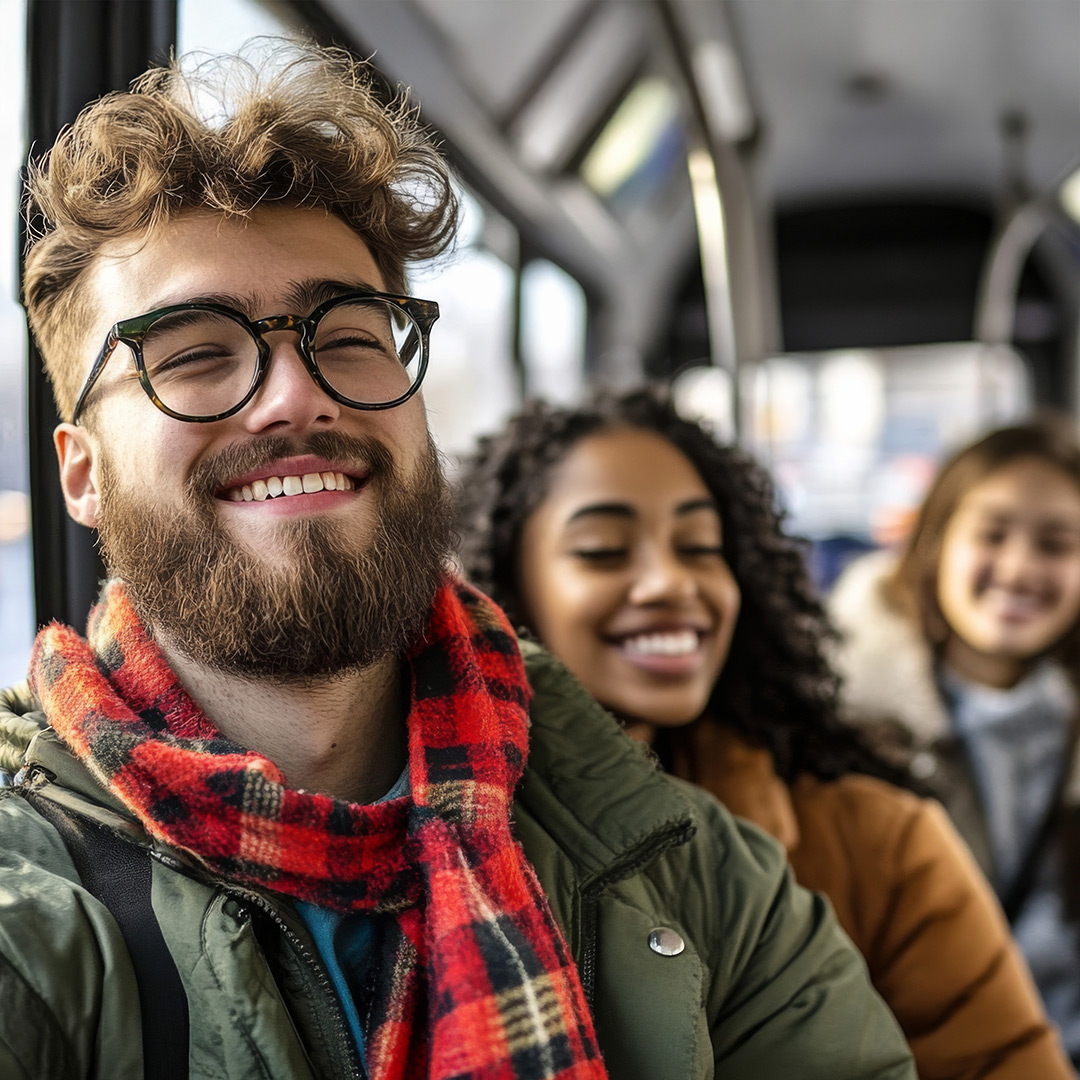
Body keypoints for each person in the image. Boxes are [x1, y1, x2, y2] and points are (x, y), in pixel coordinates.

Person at [0, 41, 916, 1080]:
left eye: (349, 337)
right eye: (198, 355)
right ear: (81, 473)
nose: (298, 395)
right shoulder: (32, 907)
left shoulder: (690, 874)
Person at [455, 388, 1075, 1079]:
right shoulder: (437, 848)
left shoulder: (884, 844)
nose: (672, 582)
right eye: (603, 551)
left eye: (701, 547)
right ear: (502, 584)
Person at [830, 417, 1080, 1067]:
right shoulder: (839, 728)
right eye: (992, 535)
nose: (1019, 568)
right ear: (935, 543)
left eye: (1056, 544)